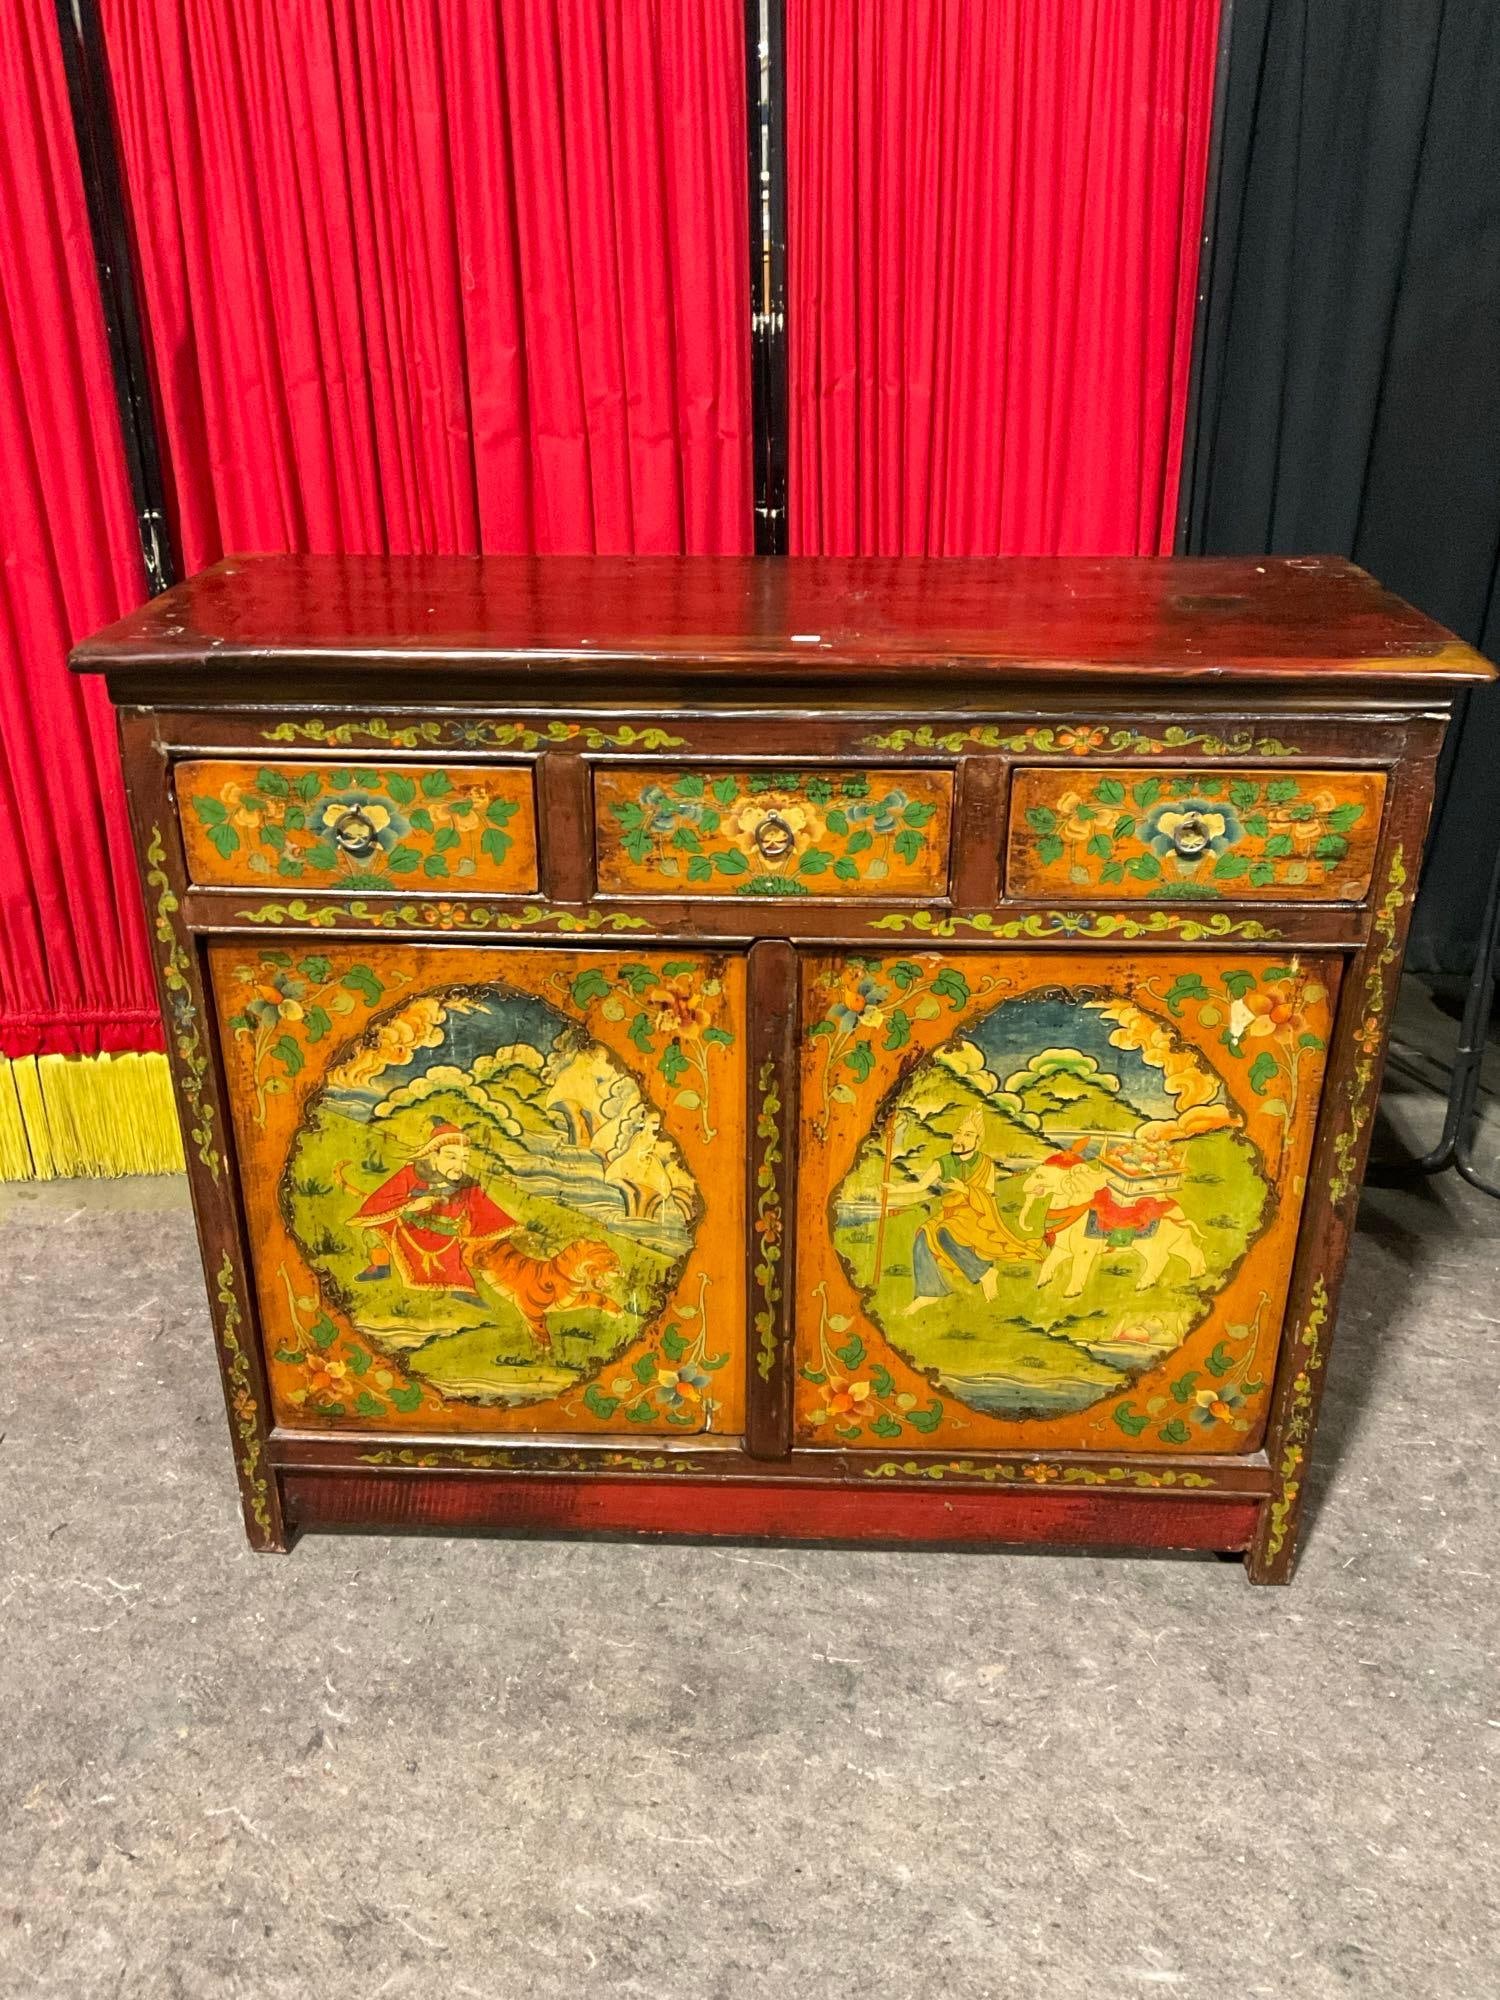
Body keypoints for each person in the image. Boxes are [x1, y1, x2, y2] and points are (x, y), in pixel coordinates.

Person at [349, 1119, 517, 1300]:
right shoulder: (412, 1173)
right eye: (452, 1157)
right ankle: (380, 1267)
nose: (459, 1166)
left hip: (447, 1237)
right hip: (409, 1229)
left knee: (460, 1277)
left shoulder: (468, 1185)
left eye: (464, 1159)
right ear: (434, 1156)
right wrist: (413, 1204)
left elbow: (489, 1214)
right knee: (374, 1231)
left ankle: (461, 1293)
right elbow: (383, 1199)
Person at [903, 1110, 1028, 1315]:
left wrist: (966, 1191)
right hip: (951, 1213)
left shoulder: (986, 1163)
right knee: (924, 1235)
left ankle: (985, 1273)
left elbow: (989, 1194)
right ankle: (928, 1292)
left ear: (977, 1141)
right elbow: (920, 1185)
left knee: (945, 1231)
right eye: (958, 1133)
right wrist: (894, 1189)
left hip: (975, 1213)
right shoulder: (942, 1162)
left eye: (968, 1134)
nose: (960, 1138)